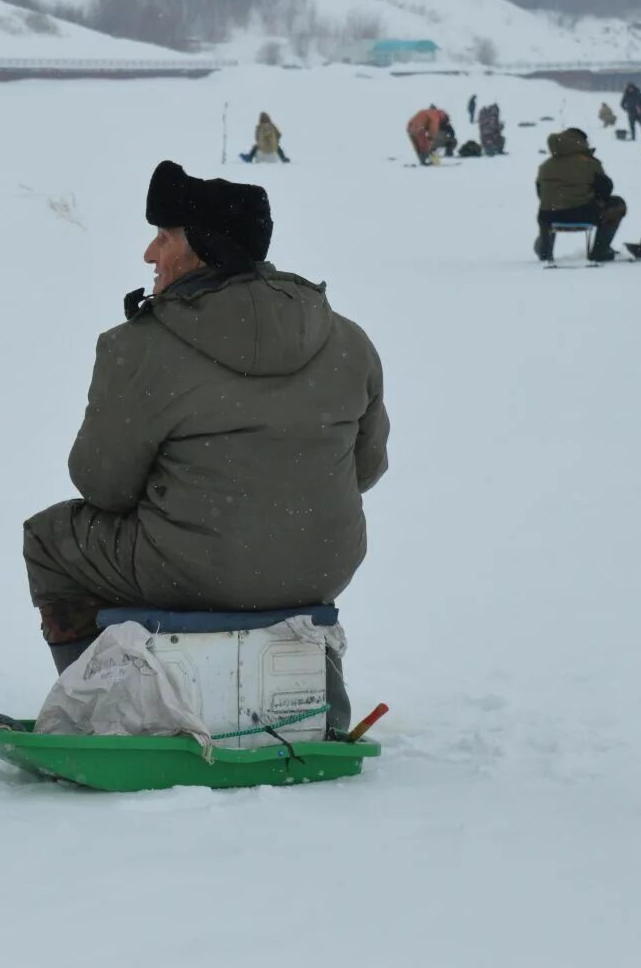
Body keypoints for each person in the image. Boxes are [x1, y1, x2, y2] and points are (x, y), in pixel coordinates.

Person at [21, 161, 388, 731]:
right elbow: (367, 467)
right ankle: (304, 687)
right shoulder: (346, 336)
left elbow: (102, 486)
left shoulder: (137, 346)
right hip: (321, 564)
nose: (149, 254)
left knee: (51, 538)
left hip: (188, 569)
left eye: (163, 238)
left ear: (200, 252)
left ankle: (105, 706)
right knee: (262, 550)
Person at [535, 128, 628, 262]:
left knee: (548, 207)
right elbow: (606, 190)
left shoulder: (545, 166)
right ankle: (600, 251)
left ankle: (545, 249)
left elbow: (541, 194)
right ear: (579, 142)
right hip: (583, 214)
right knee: (617, 204)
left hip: (548, 216)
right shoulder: (590, 163)